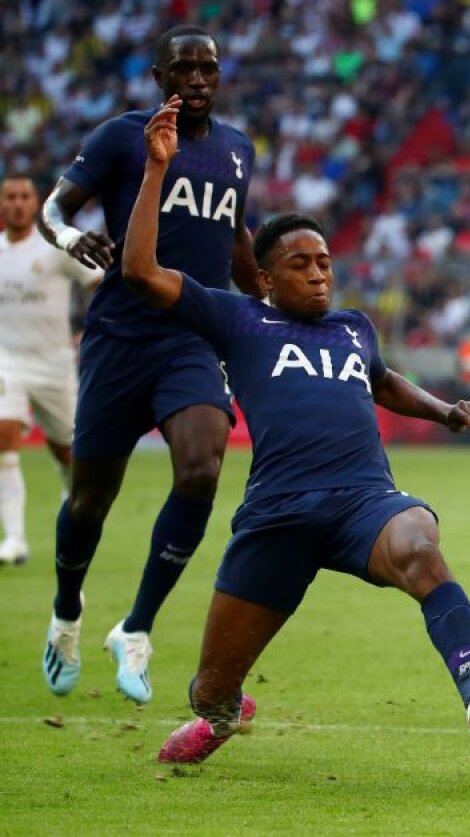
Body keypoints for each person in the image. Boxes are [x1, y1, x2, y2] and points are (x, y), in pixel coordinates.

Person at [124, 98, 470, 767]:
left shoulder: (353, 326)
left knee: (422, 545)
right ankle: (222, 714)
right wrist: (156, 172)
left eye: (325, 261)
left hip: (365, 499)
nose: (319, 273)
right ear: (267, 278)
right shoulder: (237, 317)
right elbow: (140, 270)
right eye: (301, 264)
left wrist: (443, 407)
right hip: (277, 512)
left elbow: (383, 380)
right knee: (210, 687)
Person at [36, 26, 259, 703]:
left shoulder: (237, 150)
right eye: (183, 69)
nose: (197, 80)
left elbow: (235, 239)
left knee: (201, 468)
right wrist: (73, 238)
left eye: (208, 69)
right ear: (159, 77)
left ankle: (136, 628)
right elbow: (52, 208)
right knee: (90, 498)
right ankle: (67, 612)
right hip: (117, 338)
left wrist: (271, 298)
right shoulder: (118, 137)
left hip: (192, 337)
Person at [0, 174, 101, 565]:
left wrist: (90, 330)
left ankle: (70, 500)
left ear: (35, 202)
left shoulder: (56, 247)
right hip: (8, 363)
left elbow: (96, 282)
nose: (18, 203)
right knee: (4, 434)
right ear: (2, 204)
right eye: (10, 197)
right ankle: (15, 541)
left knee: (67, 453)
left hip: (56, 365)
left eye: (25, 196)